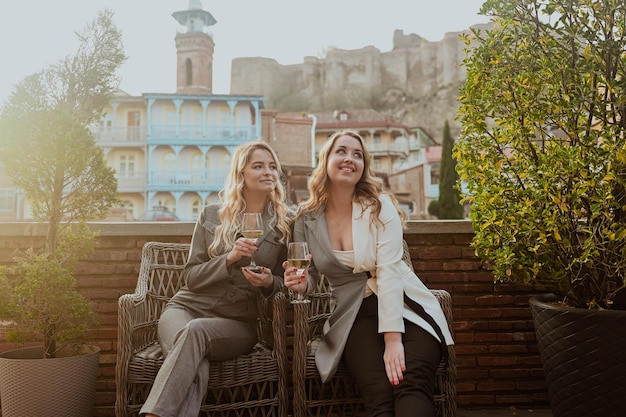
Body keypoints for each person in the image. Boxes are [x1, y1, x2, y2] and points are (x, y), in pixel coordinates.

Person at [284, 130, 454, 417]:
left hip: (404, 307)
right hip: (353, 315)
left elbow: (388, 273)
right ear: (326, 159)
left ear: (364, 166)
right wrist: (299, 285)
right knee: (378, 391)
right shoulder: (305, 218)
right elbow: (309, 276)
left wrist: (393, 340)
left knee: (409, 382)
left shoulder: (380, 206)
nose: (349, 158)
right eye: (342, 151)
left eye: (357, 154)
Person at [141, 141, 291, 417]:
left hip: (237, 322)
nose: (268, 172)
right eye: (258, 166)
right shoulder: (211, 214)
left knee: (194, 335)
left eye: (272, 167)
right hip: (185, 308)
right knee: (192, 359)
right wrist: (229, 259)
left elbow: (288, 283)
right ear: (241, 173)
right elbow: (191, 278)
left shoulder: (285, 224)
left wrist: (270, 283)